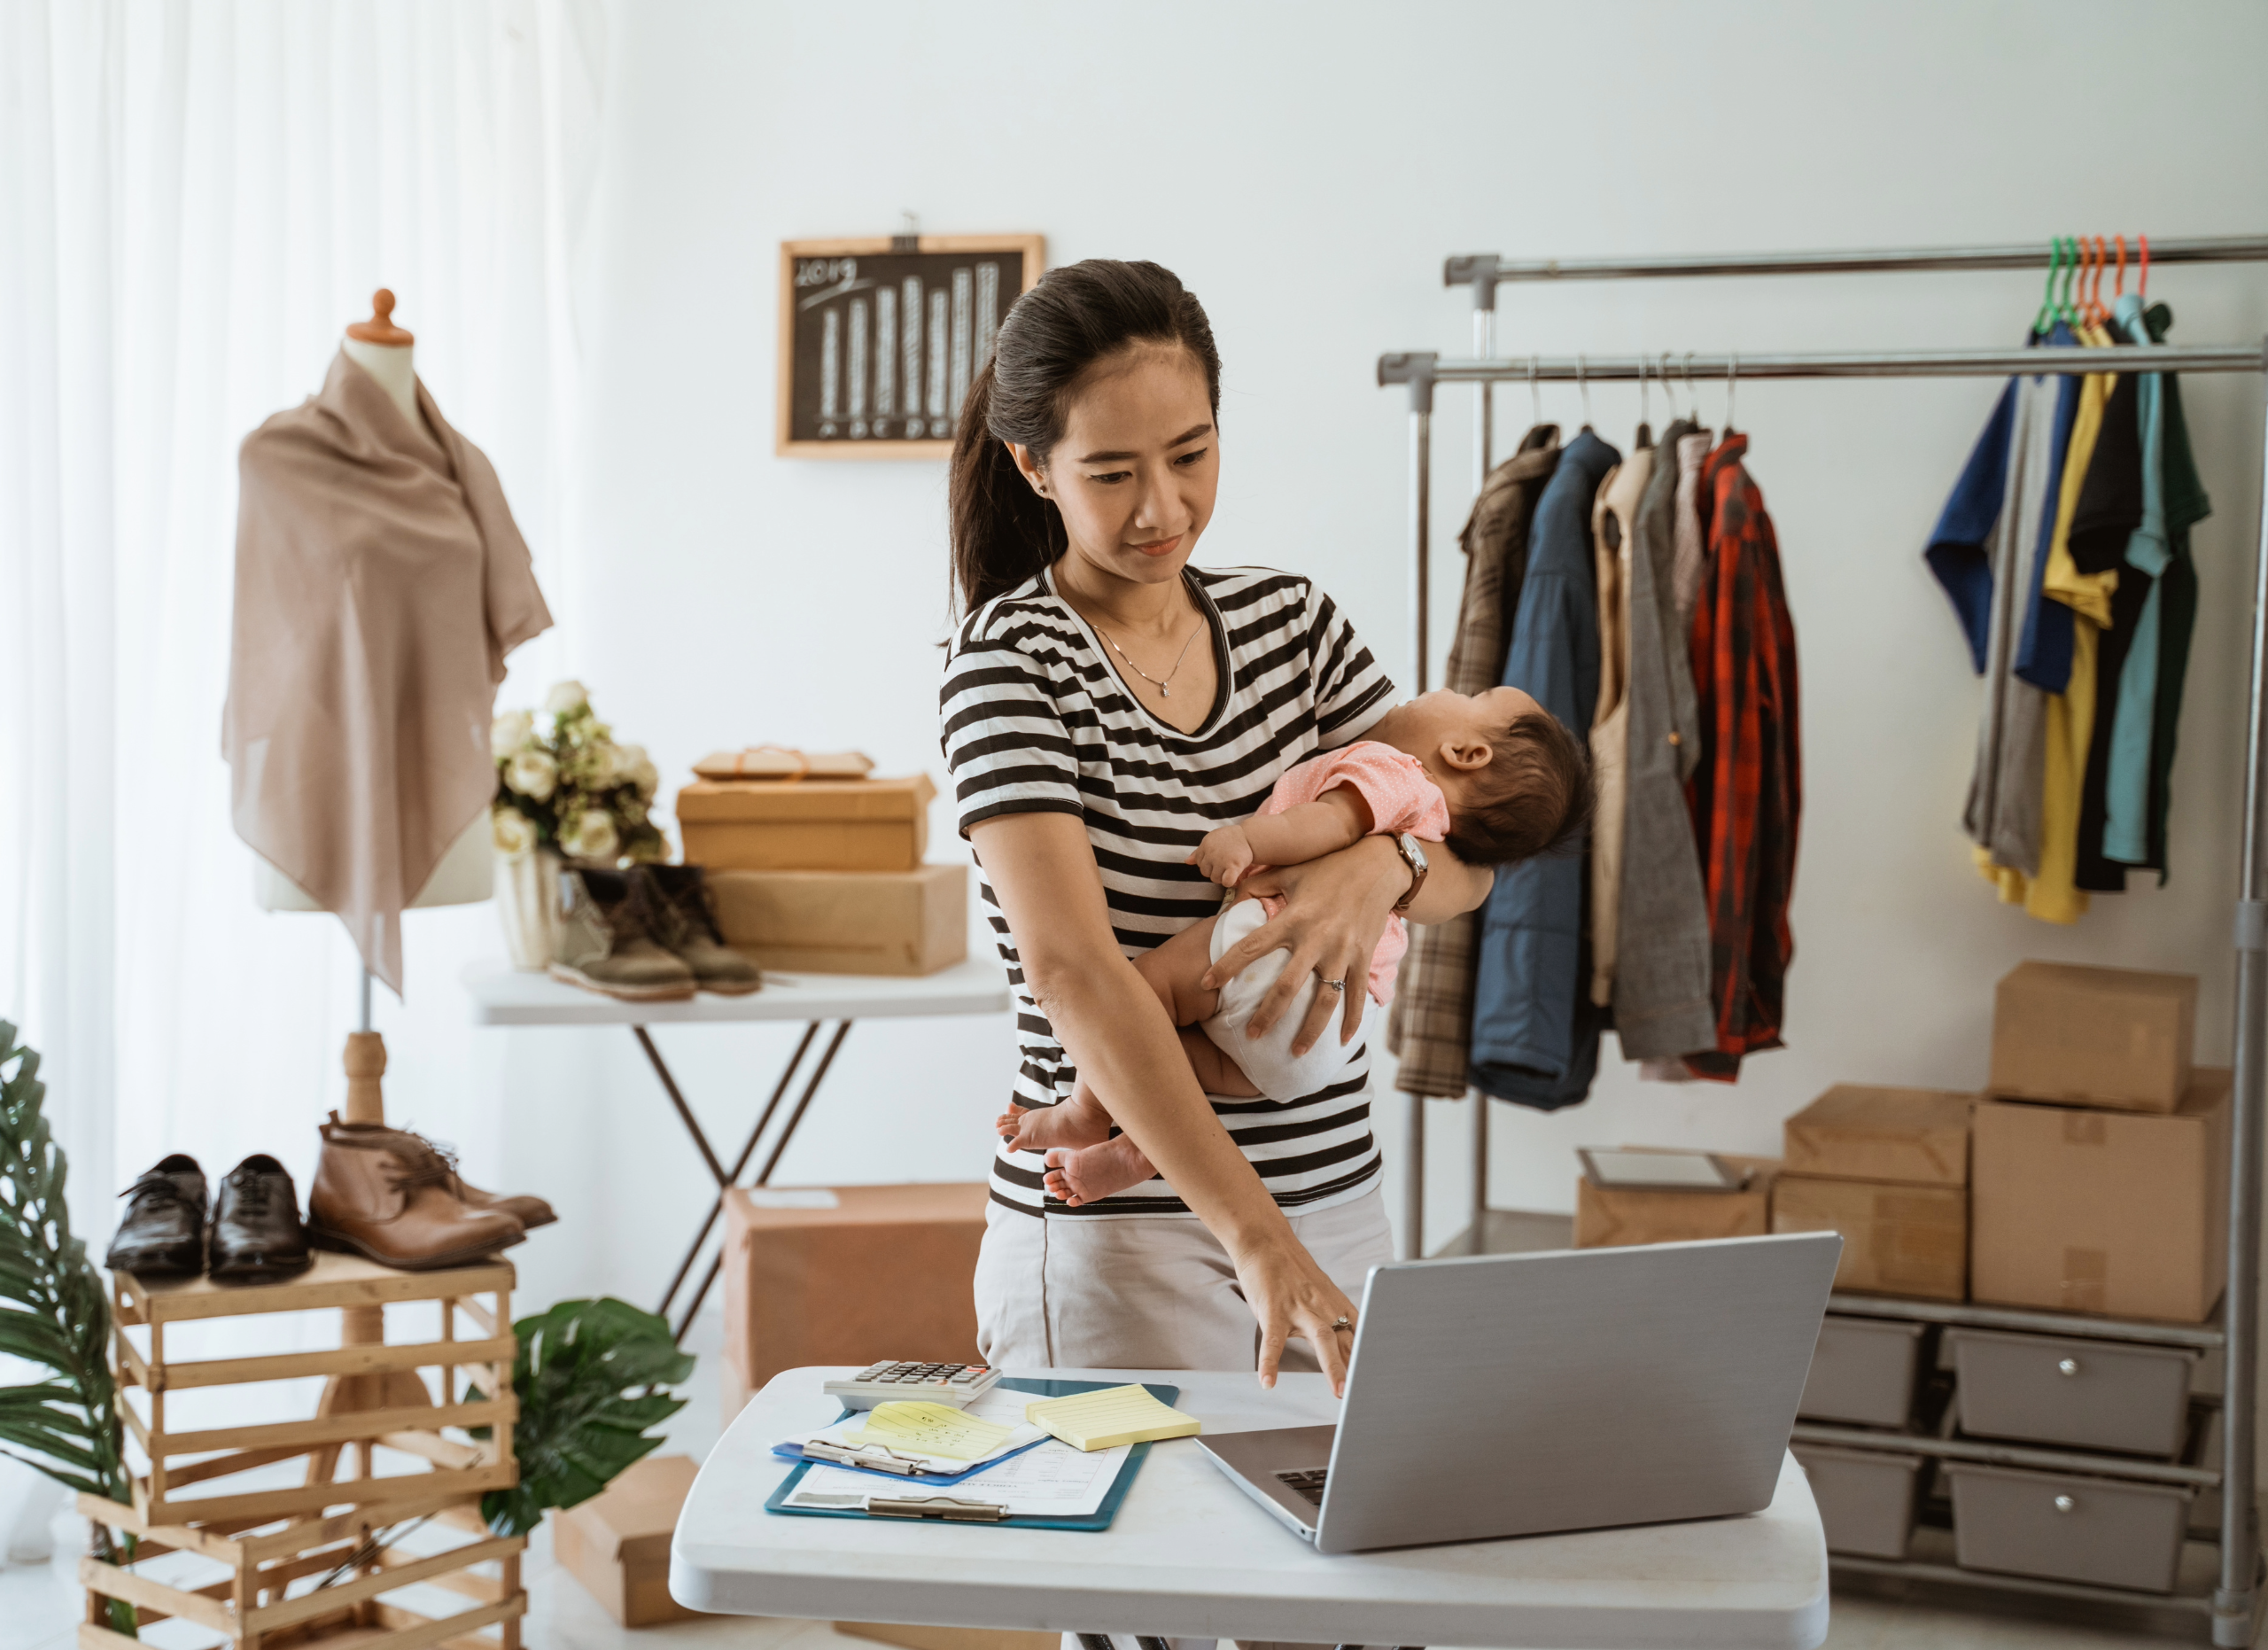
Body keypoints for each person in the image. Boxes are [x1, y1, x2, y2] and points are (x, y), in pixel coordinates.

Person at [942, 259, 1500, 1395]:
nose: (1162, 508)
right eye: (1111, 472)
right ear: (1034, 467)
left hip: (1336, 1204)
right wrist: (1256, 1237)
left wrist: (1378, 866)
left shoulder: (1290, 619)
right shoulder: (1009, 662)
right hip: (1129, 1246)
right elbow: (1076, 972)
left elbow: (1463, 861)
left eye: (1190, 455)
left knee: (1344, 1562)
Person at [996, 688, 1591, 1205]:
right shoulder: (1435, 832)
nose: (1435, 693)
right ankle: (1138, 1152)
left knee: (1141, 997)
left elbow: (1328, 823)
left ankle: (1086, 1112)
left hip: (1272, 957)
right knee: (1173, 1067)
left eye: (1466, 698)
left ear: (1465, 753)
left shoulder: (1396, 773)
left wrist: (1245, 839)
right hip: (1319, 1046)